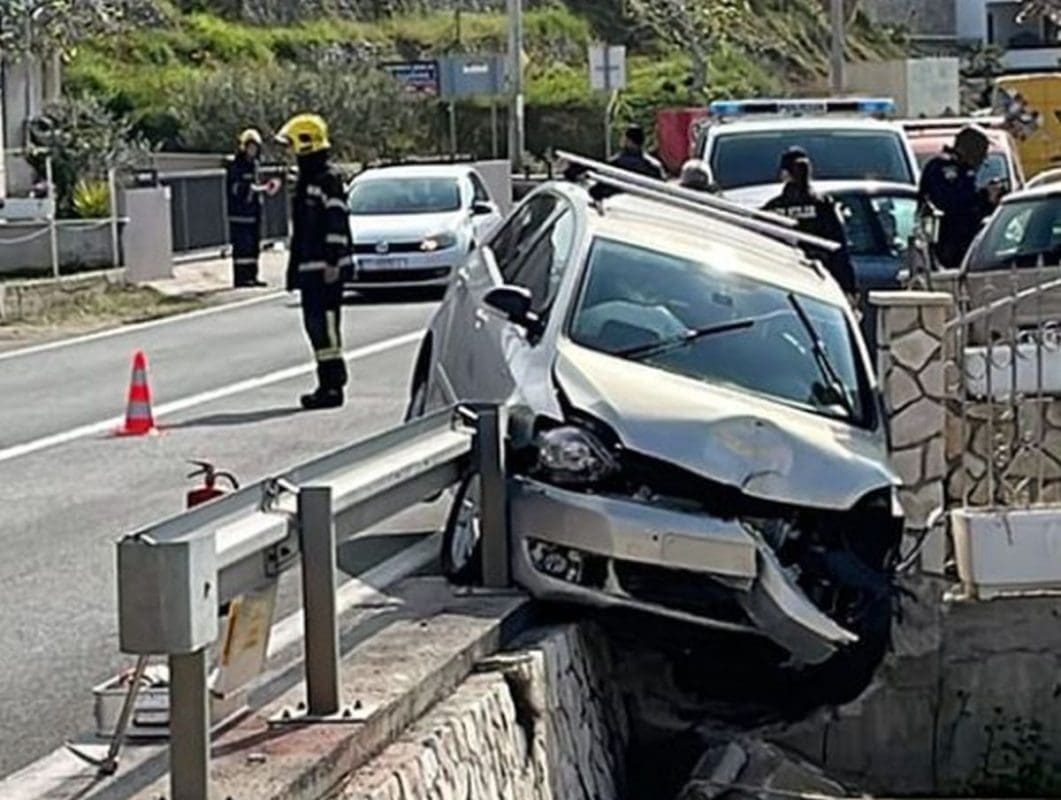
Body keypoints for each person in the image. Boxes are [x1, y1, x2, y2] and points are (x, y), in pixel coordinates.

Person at [275, 113, 353, 410]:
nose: (291, 152)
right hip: (311, 268)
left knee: (326, 329)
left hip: (325, 269)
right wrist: (294, 271)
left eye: (292, 145)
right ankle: (326, 384)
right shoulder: (307, 180)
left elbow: (335, 220)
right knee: (315, 326)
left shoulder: (327, 179)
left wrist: (333, 260)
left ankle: (333, 386)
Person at [762, 147, 856, 293]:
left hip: (782, 279)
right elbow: (839, 247)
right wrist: (849, 287)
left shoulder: (772, 209)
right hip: (819, 280)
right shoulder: (823, 206)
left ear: (784, 175)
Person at [918, 125, 1002, 270]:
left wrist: (989, 201)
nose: (982, 160)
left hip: (967, 247)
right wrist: (983, 196)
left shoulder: (963, 170)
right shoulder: (942, 168)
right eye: (981, 153)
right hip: (948, 246)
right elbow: (953, 205)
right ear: (972, 150)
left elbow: (974, 211)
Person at [226, 128, 280, 288]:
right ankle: (241, 278)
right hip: (239, 214)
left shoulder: (254, 165)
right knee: (242, 247)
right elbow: (236, 188)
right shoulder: (236, 165)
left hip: (254, 212)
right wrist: (256, 189)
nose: (252, 150)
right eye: (250, 147)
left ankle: (252, 275)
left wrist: (266, 188)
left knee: (253, 246)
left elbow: (257, 185)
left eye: (255, 147)